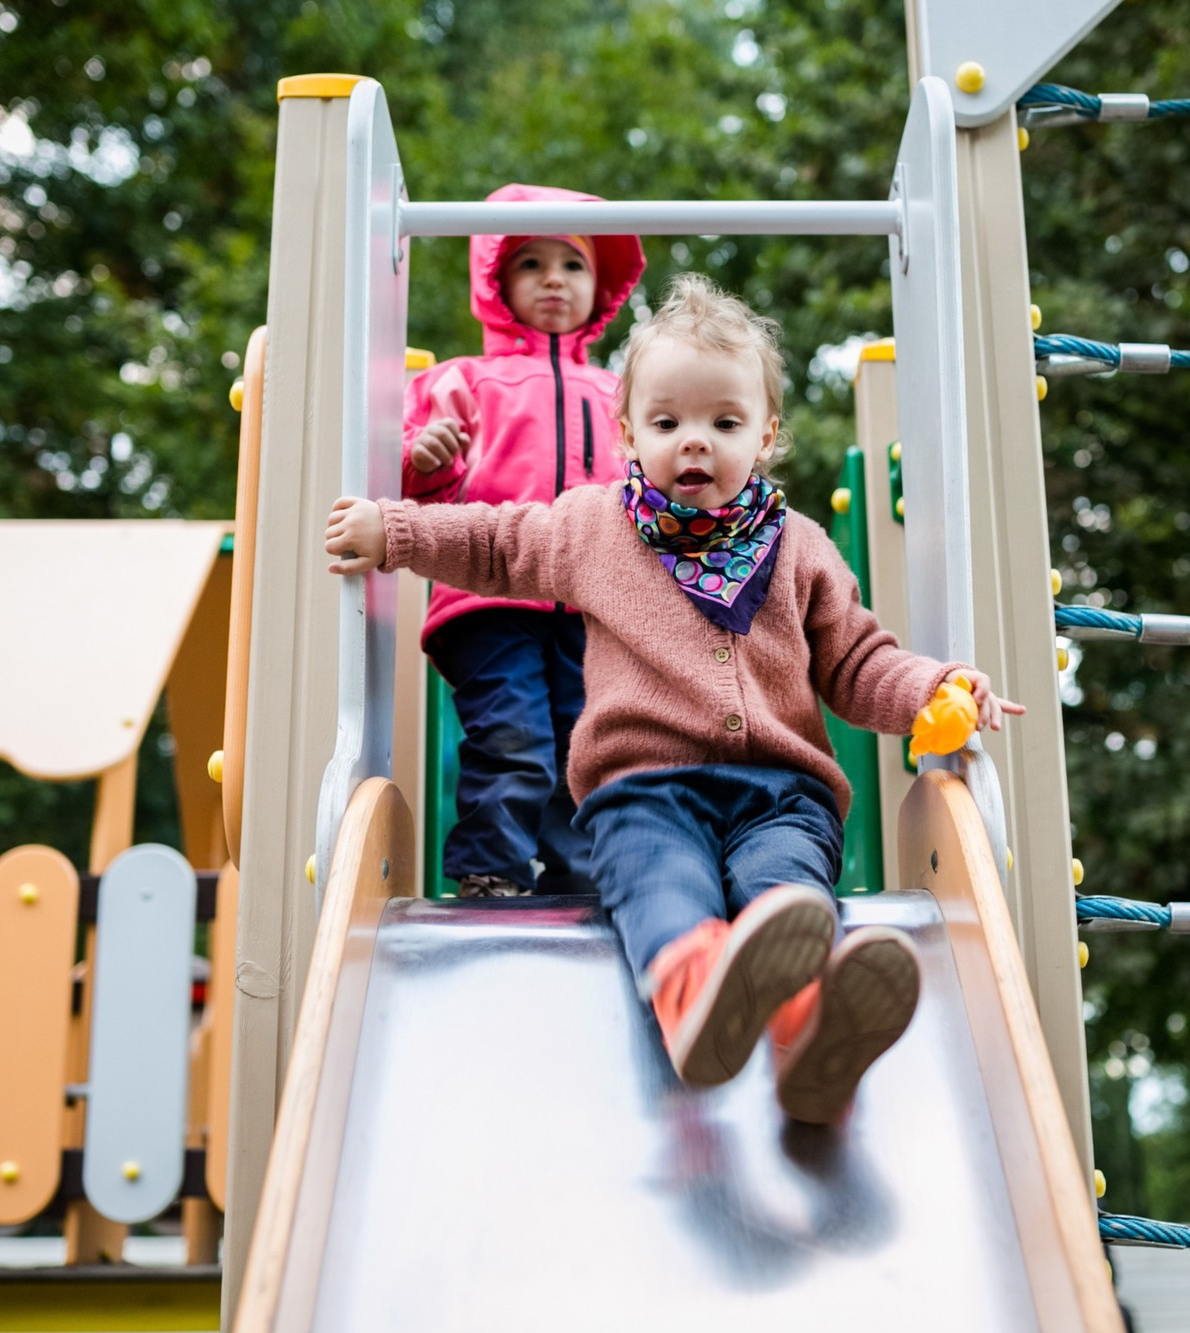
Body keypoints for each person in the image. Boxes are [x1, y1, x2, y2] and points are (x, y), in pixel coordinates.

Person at [328, 273, 1021, 1123]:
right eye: (667, 423)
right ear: (627, 433)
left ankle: (810, 1028)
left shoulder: (798, 548)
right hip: (644, 791)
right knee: (661, 878)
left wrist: (930, 688)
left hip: (783, 796)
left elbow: (856, 662)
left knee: (788, 892)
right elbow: (494, 542)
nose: (695, 442)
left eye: (723, 423)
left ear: (764, 434)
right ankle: (695, 992)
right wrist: (391, 531)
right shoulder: (593, 527)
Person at [403, 183, 646, 900]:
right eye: (531, 263)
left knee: (585, 744)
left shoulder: (621, 393)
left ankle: (575, 882)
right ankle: (491, 872)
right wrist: (428, 457)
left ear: (600, 287)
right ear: (497, 281)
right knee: (514, 741)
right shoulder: (466, 382)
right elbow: (417, 491)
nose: (552, 280)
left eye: (571, 266)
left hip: (588, 601)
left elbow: (648, 490)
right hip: (489, 596)